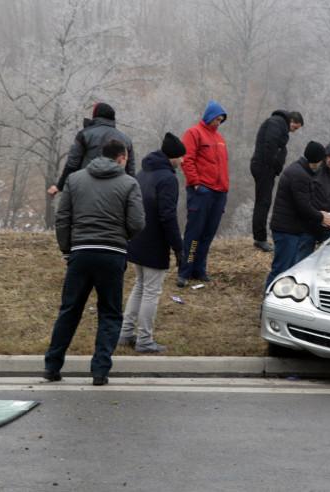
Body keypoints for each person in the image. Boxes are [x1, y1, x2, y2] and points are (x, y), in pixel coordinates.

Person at [44, 139, 145, 386]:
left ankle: (52, 367)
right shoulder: (129, 183)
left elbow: (63, 218)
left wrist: (67, 249)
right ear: (121, 158)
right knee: (110, 313)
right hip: (112, 254)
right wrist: (120, 238)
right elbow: (137, 222)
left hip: (80, 252)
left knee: (69, 310)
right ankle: (99, 371)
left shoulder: (75, 179)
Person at [119, 133, 186, 353]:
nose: (183, 161)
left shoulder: (142, 173)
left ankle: (125, 333)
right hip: (154, 242)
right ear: (173, 157)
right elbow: (168, 216)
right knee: (151, 292)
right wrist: (178, 247)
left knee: (139, 287)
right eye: (181, 157)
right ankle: (145, 340)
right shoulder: (168, 179)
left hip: (137, 239)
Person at [265, 141, 330, 289]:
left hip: (291, 228)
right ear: (316, 161)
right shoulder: (300, 175)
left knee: (288, 268)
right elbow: (303, 206)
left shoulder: (300, 170)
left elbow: (305, 202)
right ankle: (270, 297)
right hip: (286, 230)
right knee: (281, 269)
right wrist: (321, 217)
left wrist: (320, 213)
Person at [177, 100, 229, 287]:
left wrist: (225, 188)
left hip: (219, 193)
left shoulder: (220, 139)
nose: (218, 122)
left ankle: (200, 269)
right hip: (202, 192)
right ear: (209, 116)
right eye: (216, 119)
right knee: (194, 233)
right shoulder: (193, 133)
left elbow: (223, 166)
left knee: (208, 234)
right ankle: (185, 270)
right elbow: (187, 159)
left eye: (221, 120)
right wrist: (196, 183)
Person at [47, 102, 136, 196]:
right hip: (115, 192)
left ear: (95, 115)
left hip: (86, 190)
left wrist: (59, 186)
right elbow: (130, 171)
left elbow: (72, 164)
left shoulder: (85, 134)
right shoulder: (126, 140)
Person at [250, 110, 304, 252]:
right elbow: (270, 145)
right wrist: (273, 165)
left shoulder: (277, 123)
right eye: (294, 128)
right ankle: (260, 238)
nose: (293, 131)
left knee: (263, 201)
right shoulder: (277, 123)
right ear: (291, 121)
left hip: (265, 168)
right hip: (264, 168)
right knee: (263, 202)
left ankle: (259, 237)